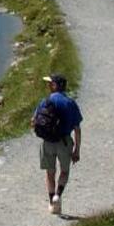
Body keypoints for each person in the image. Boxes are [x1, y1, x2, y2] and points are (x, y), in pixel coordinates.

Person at [34, 75, 83, 216]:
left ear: (55, 85)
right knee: (64, 171)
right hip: (64, 142)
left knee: (50, 173)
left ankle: (51, 203)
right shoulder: (70, 103)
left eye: (50, 83)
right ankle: (58, 195)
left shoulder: (45, 101)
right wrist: (77, 150)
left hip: (47, 142)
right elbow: (77, 129)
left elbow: (34, 121)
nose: (48, 86)